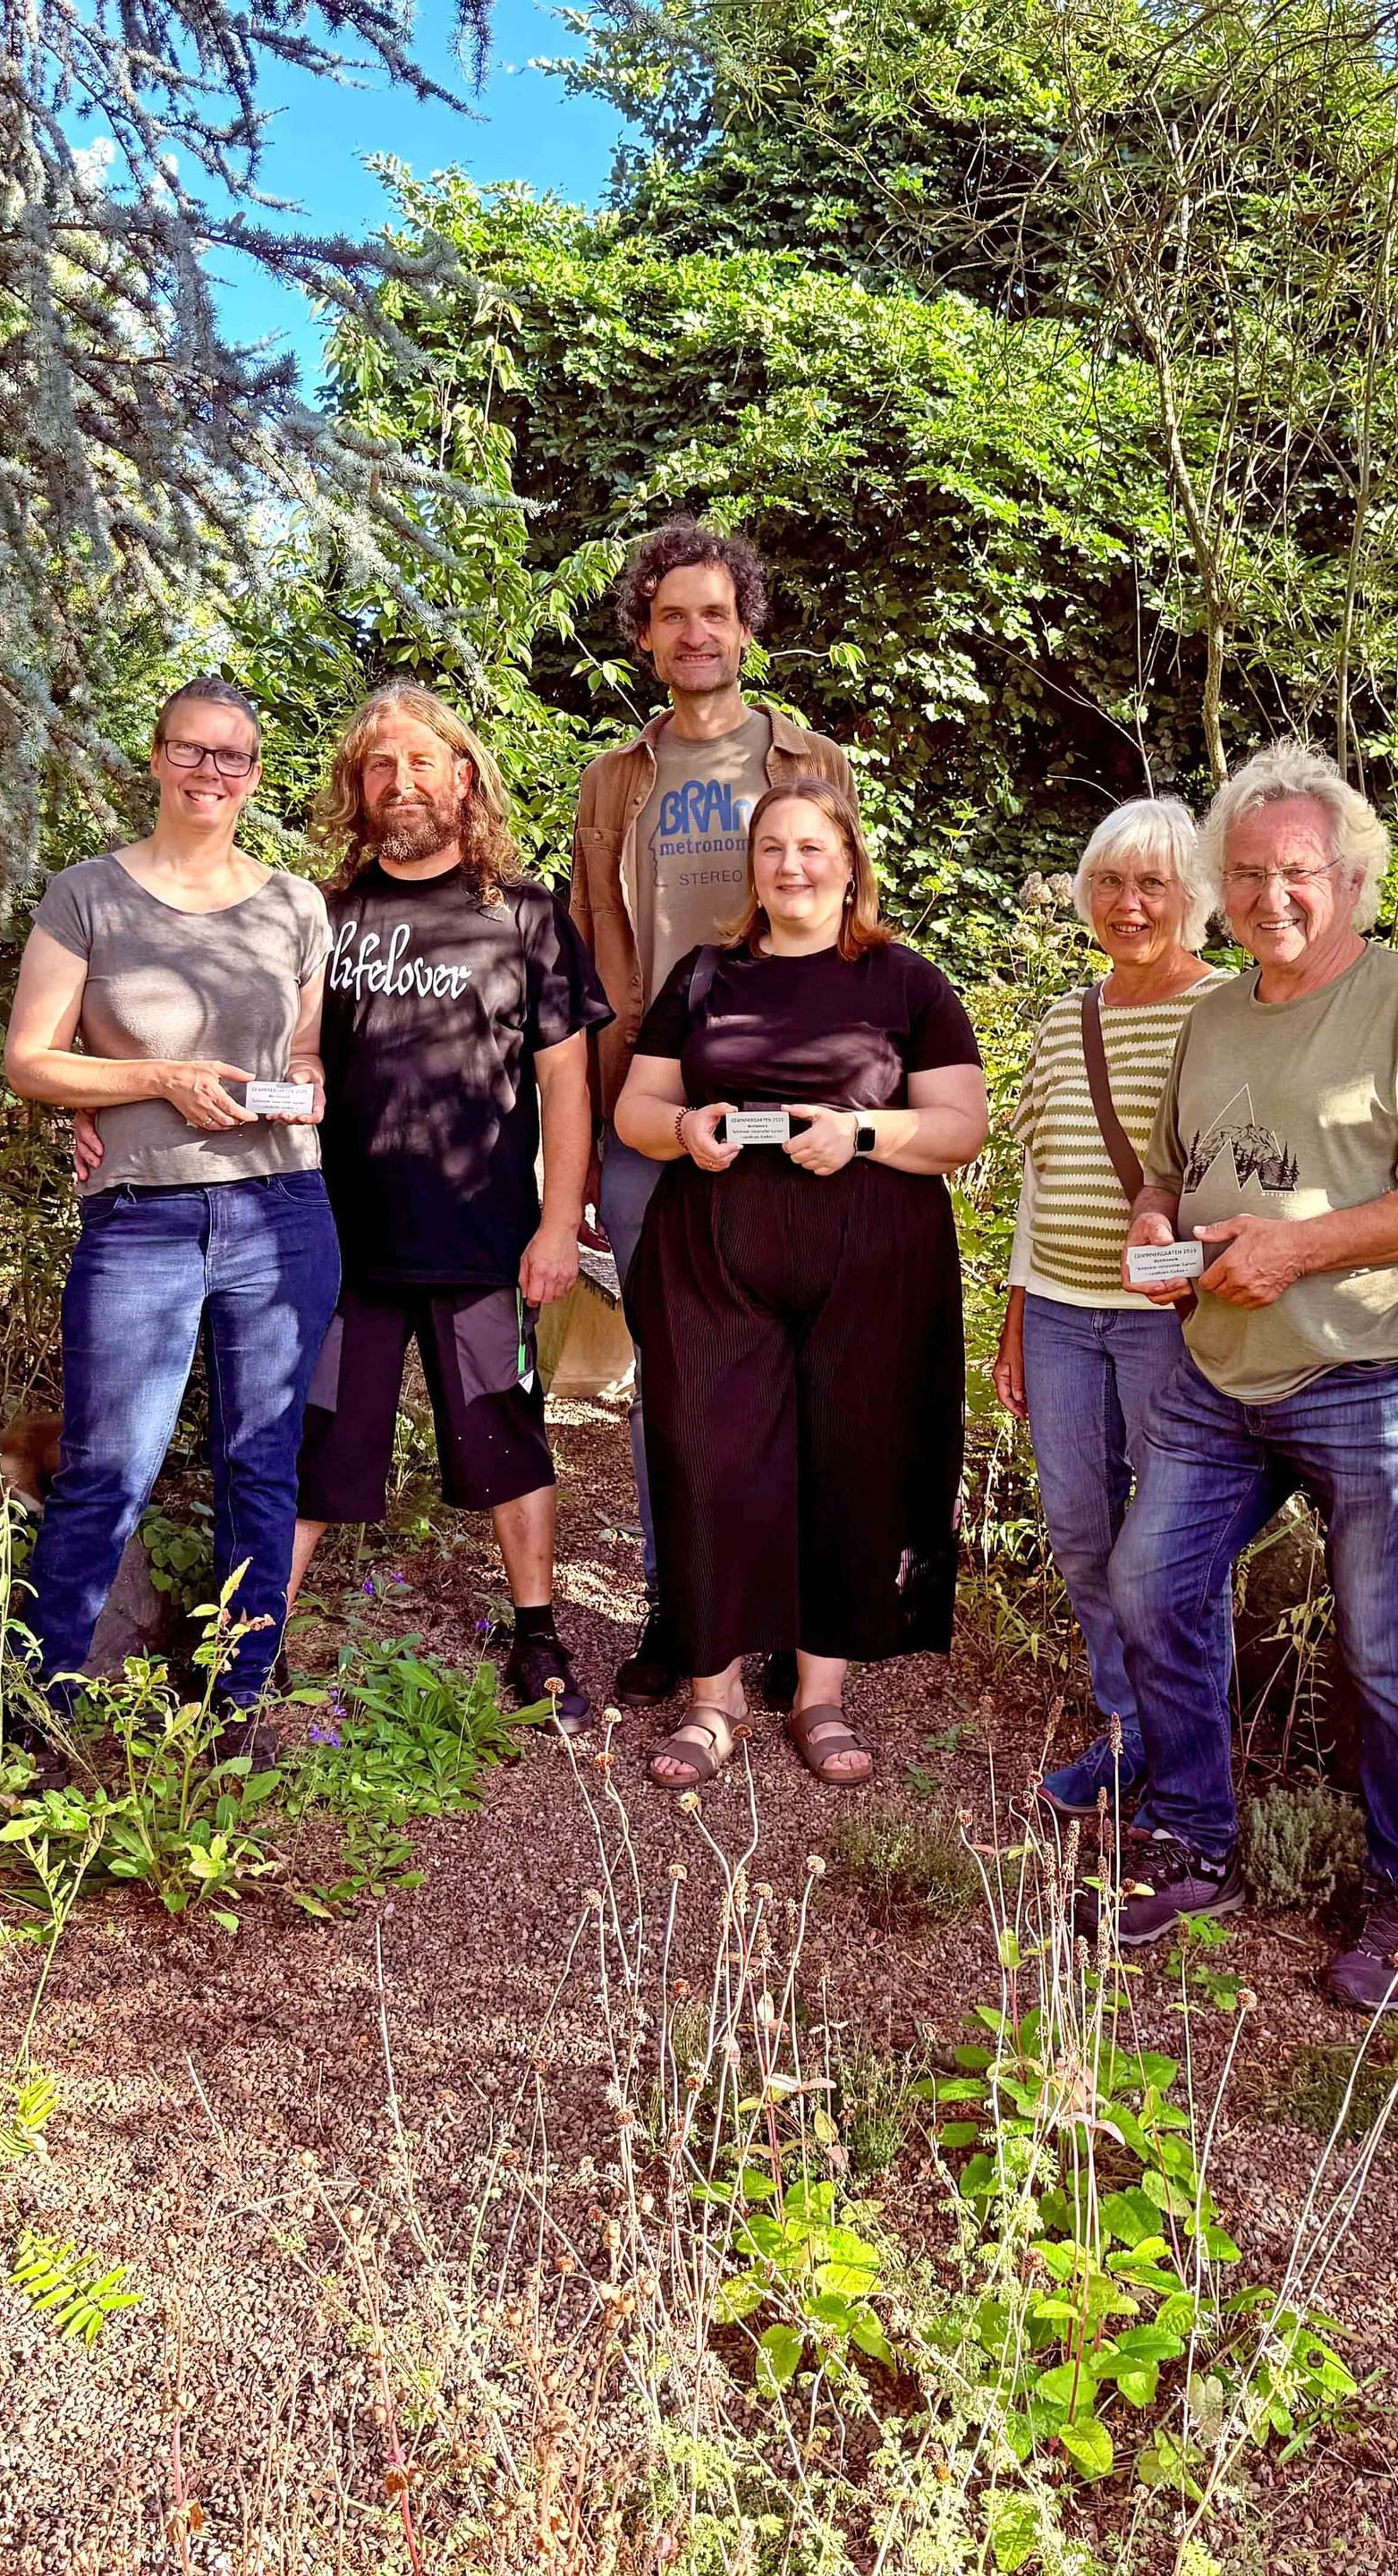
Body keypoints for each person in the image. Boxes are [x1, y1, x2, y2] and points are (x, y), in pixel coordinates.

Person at [1097, 742, 1398, 2012]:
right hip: (1219, 1366)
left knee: (1384, 1644)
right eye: (1247, 874)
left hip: (1374, 1366)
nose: (1272, 894)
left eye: (1298, 872)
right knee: (1148, 1583)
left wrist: (1302, 1248)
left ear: (1350, 876)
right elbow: (1171, 1167)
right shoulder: (1215, 1013)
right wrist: (1153, 1228)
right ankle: (1192, 1840)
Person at [611, 775, 988, 1789]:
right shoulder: (704, 977)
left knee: (849, 1463)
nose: (791, 866)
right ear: (753, 869)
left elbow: (959, 1129)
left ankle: (818, 1697)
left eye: (812, 848)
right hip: (715, 1261)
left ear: (851, 860)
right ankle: (711, 1698)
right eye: (772, 849)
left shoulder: (904, 982)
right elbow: (637, 1112)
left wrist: (861, 1131)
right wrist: (686, 1130)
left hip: (870, 1263)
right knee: (707, 1456)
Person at [3, 677, 336, 1720]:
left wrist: (310, 1084)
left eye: (232, 757)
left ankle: (237, 1705)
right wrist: (154, 1080)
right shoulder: (89, 894)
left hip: (282, 1210)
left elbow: (310, 1053)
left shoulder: (295, 903)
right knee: (108, 1467)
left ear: (255, 775)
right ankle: (38, 1705)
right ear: (154, 759)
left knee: (263, 1470)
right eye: (191, 751)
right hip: (142, 1216)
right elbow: (30, 1060)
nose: (211, 773)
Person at [280, 683, 612, 1721]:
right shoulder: (321, 917)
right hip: (341, 1246)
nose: (402, 783)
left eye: (423, 762)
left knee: (504, 1433)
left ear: (464, 778)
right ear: (357, 788)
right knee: (318, 1438)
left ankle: (538, 1636)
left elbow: (567, 1081)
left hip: (481, 1241)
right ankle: (255, 1647)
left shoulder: (524, 914)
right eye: (381, 766)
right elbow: (276, 1053)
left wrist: (559, 1222)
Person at [569, 521, 857, 1707]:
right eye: (672, 615)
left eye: (715, 612)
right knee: (674, 1369)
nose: (697, 633)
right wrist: (586, 1139)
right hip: (652, 1102)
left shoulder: (809, 762)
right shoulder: (615, 781)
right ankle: (685, 1606)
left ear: (747, 626)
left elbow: (850, 927)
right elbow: (592, 957)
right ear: (647, 638)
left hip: (789, 1108)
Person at [992, 799, 1228, 1818]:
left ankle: (1193, 1755)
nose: (1128, 905)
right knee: (1082, 1530)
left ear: (1195, 900)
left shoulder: (1228, 1013)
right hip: (1057, 1315)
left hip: (1167, 1325)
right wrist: (1013, 1314)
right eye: (1110, 883)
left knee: (1171, 1548)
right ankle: (1128, 1731)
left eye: (1153, 885)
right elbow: (1040, 1179)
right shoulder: (1064, 1019)